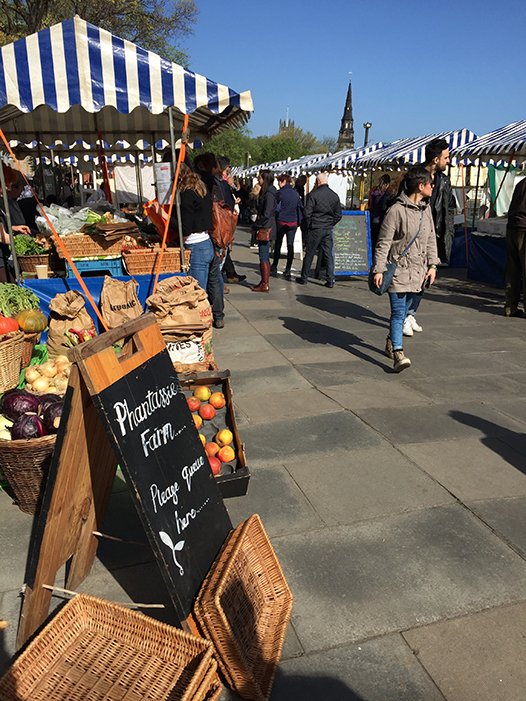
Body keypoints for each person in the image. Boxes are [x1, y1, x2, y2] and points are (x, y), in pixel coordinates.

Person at [372, 166, 440, 372]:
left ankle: (391, 341)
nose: (433, 187)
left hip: (419, 271)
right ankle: (398, 354)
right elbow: (383, 242)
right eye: (430, 184)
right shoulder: (396, 210)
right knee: (398, 312)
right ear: (421, 186)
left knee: (404, 314)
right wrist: (378, 269)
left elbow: (430, 238)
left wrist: (433, 265)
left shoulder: (426, 209)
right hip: (399, 268)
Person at [403, 138, 455, 337]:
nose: (448, 161)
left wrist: (446, 233)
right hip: (413, 234)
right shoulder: (414, 176)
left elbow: (448, 208)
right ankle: (404, 315)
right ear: (435, 159)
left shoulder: (445, 180)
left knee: (427, 276)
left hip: (434, 234)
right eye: (446, 157)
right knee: (410, 276)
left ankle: (411, 313)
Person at [296, 172, 342, 287]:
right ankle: (330, 279)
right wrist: (330, 223)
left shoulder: (314, 195)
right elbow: (338, 215)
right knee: (328, 254)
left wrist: (309, 225)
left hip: (315, 227)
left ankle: (304, 277)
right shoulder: (334, 196)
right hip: (327, 228)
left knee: (310, 253)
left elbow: (307, 213)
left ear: (318, 181)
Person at [271, 174, 302, 279]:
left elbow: (277, 208)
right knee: (290, 245)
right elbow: (299, 207)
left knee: (278, 244)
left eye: (279, 181)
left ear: (283, 181)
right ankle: (288, 269)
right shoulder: (296, 194)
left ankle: (274, 265)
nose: (278, 184)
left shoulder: (280, 193)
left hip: (281, 221)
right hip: (293, 222)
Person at [250, 170, 277, 293]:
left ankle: (265, 283)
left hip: (265, 227)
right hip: (266, 225)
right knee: (263, 255)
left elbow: (266, 214)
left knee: (263, 256)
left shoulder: (269, 194)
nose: (258, 180)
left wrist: (256, 226)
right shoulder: (269, 192)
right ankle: (263, 281)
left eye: (260, 178)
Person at [504, 176, 526, 317]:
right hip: (524, 228)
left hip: (512, 227)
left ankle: (510, 306)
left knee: (512, 269)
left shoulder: (521, 184)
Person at [368, 174, 391, 250]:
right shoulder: (385, 194)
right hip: (381, 219)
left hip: (373, 217)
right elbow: (383, 207)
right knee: (379, 240)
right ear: (387, 184)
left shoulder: (374, 191)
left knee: (373, 238)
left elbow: (370, 204)